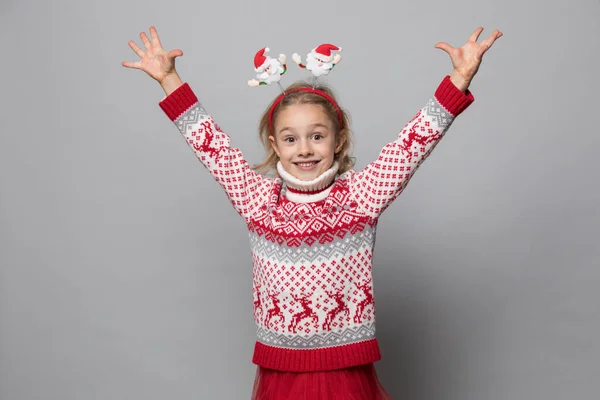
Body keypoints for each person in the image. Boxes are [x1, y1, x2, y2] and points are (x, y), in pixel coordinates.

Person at [122, 26, 502, 400]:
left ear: (339, 141)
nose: (304, 148)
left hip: (344, 367)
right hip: (282, 367)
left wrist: (459, 77)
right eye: (291, 139)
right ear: (275, 145)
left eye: (317, 136)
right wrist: (169, 79)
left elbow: (411, 145)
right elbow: (211, 146)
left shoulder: (361, 196)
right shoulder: (258, 200)